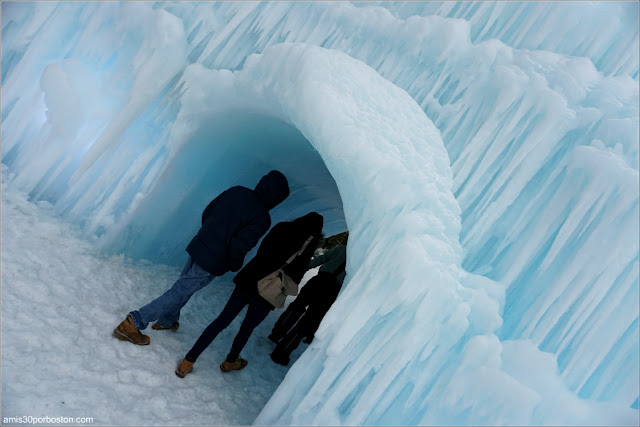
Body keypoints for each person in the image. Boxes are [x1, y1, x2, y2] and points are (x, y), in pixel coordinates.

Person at [113, 170, 290, 346]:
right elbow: (239, 246)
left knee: (184, 286)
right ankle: (134, 322)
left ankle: (167, 320)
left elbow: (209, 210)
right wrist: (234, 264)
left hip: (200, 243)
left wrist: (208, 233)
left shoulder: (238, 191)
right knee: (181, 290)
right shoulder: (262, 217)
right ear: (276, 198)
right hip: (213, 260)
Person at [175, 212, 324, 377]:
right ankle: (230, 361)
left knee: (222, 320)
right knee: (247, 328)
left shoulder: (282, 227)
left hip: (249, 278)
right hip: (268, 291)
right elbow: (297, 275)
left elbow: (263, 249)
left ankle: (188, 360)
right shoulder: (308, 245)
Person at [268, 239, 347, 366]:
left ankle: (276, 333)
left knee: (296, 307)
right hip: (330, 292)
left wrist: (302, 268)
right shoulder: (359, 262)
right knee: (307, 321)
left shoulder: (341, 249)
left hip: (317, 281)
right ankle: (281, 352)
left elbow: (320, 260)